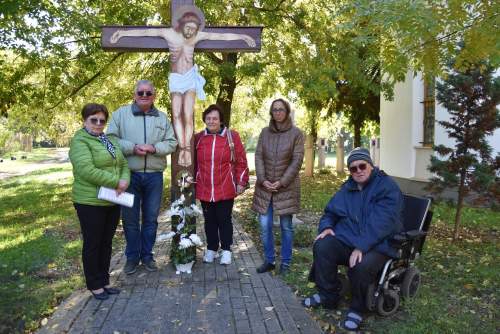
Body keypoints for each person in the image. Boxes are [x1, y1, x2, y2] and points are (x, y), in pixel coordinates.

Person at [110, 5, 256, 167]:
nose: (190, 32)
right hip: (176, 79)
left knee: (188, 114)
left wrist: (244, 37)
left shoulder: (196, 37)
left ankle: (186, 149)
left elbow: (221, 35)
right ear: (181, 25)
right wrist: (122, 33)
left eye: (193, 29)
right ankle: (182, 147)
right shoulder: (169, 34)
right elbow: (145, 32)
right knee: (177, 115)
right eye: (188, 28)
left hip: (189, 78)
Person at [303, 147, 403, 331]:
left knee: (360, 264)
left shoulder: (387, 187)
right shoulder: (347, 187)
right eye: (353, 168)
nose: (358, 171)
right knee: (322, 246)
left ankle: (358, 308)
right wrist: (326, 227)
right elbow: (330, 212)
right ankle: (328, 296)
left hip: (380, 243)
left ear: (371, 166)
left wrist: (361, 247)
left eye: (362, 165)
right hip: (350, 238)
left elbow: (382, 224)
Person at [107, 80, 177, 274]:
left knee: (151, 219)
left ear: (154, 95)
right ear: (134, 94)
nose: (144, 96)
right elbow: (110, 140)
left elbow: (172, 142)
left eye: (148, 93)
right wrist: (132, 148)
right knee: (129, 219)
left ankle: (147, 256)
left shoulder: (162, 118)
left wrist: (154, 148)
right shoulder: (120, 115)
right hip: (128, 175)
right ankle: (131, 258)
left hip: (154, 176)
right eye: (141, 92)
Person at [69, 103, 130, 300]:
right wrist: (116, 182)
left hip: (111, 200)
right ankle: (94, 285)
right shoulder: (80, 141)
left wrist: (124, 180)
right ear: (84, 121)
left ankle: (104, 281)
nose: (97, 124)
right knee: (93, 243)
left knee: (106, 242)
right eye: (93, 120)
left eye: (102, 120)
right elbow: (86, 170)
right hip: (90, 202)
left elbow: (122, 164)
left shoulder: (107, 139)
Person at [252, 98, 305, 275]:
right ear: (271, 113)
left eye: (281, 109)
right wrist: (262, 179)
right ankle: (269, 260)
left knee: (286, 227)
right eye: (275, 110)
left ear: (287, 111)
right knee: (265, 225)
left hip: (286, 188)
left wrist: (281, 182)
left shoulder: (297, 134)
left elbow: (297, 161)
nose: (278, 113)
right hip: (265, 187)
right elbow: (258, 155)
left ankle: (286, 263)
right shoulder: (264, 132)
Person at [194, 104, 249, 265]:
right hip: (205, 187)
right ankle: (211, 249)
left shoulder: (232, 136)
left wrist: (241, 182)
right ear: (204, 119)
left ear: (221, 120)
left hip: (225, 186)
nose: (211, 121)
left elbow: (241, 161)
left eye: (215, 118)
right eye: (208, 118)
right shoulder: (198, 138)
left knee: (224, 219)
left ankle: (226, 250)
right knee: (209, 220)